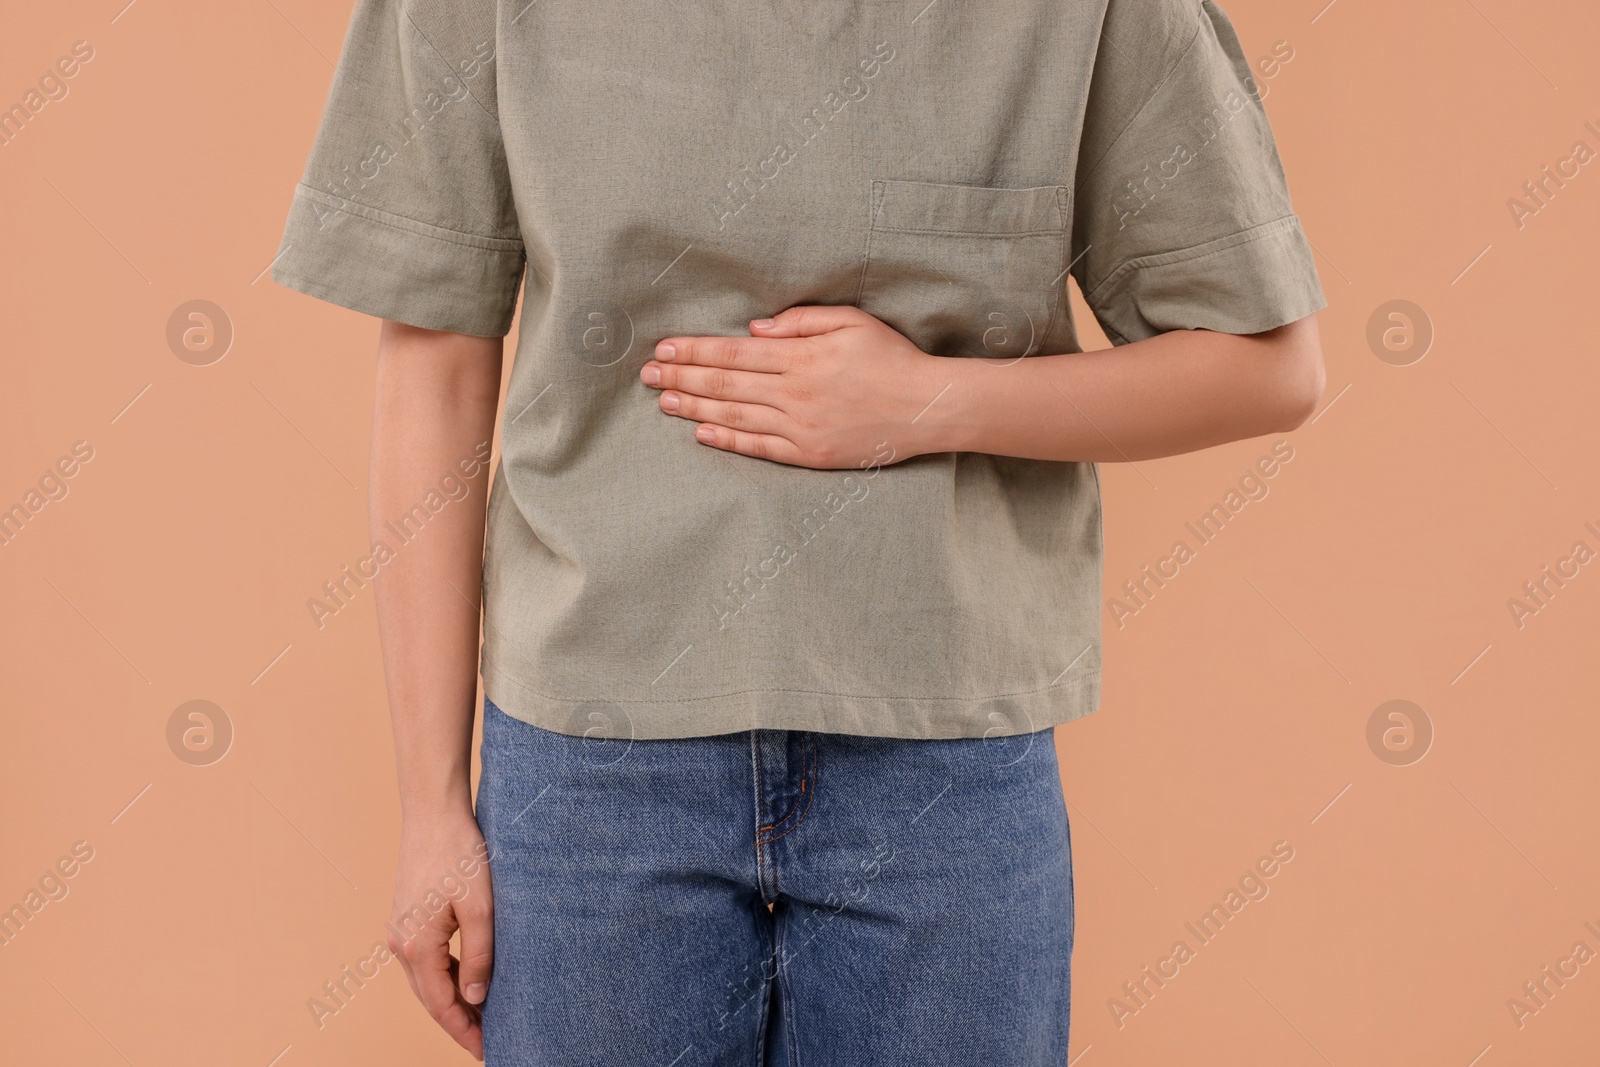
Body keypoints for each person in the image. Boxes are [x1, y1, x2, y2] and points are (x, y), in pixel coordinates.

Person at [271, 0, 1326, 1063]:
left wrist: (925, 400)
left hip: (941, 763)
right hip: (591, 766)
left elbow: (1269, 364)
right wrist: (431, 808)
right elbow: (433, 361)